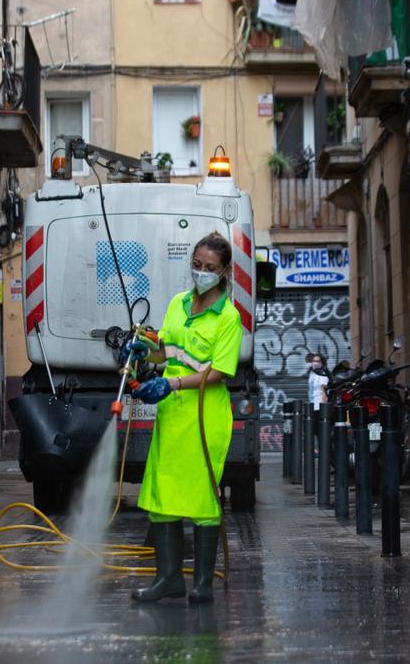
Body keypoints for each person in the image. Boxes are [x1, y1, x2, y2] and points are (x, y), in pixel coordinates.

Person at [121, 231, 242, 604]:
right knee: (161, 496)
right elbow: (167, 351)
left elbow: (219, 371)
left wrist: (171, 383)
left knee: (202, 498)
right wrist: (146, 350)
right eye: (196, 265)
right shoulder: (177, 303)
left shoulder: (228, 317)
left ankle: (202, 584)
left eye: (209, 268)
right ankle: (168, 578)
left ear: (223, 272)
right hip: (172, 416)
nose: (201, 272)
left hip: (205, 415)